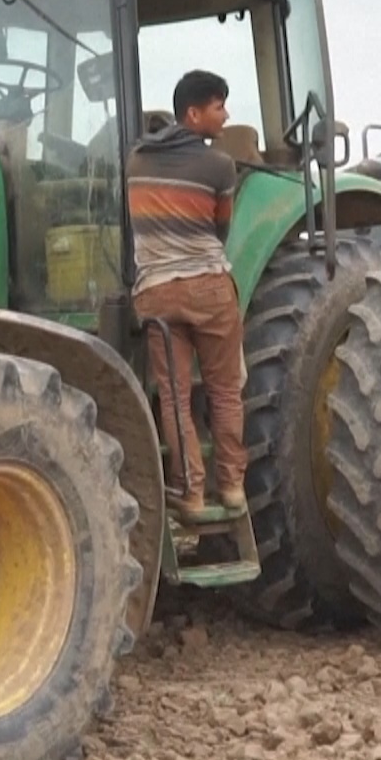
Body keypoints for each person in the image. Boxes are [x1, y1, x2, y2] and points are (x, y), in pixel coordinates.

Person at [127, 69, 247, 518]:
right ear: (193, 114)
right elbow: (221, 227)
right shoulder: (220, 166)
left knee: (175, 397)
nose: (226, 114)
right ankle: (232, 486)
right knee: (224, 390)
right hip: (209, 291)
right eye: (219, 106)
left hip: (156, 292)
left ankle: (191, 493)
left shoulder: (136, 161)